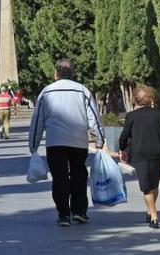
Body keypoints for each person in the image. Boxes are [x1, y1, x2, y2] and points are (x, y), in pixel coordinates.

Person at [29, 58, 104, 227]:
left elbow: (37, 121)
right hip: (78, 141)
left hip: (55, 142)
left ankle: (63, 214)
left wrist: (33, 145)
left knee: (59, 178)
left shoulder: (46, 92)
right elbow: (93, 118)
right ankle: (79, 212)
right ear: (72, 74)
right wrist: (99, 141)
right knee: (79, 175)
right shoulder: (82, 91)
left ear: (56, 73)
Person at [118, 84, 160, 229]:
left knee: (147, 187)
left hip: (140, 154)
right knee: (154, 184)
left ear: (135, 100)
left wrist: (122, 149)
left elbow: (124, 136)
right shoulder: (159, 114)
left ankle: (154, 217)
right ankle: (150, 211)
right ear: (150, 98)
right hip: (158, 153)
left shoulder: (131, 116)